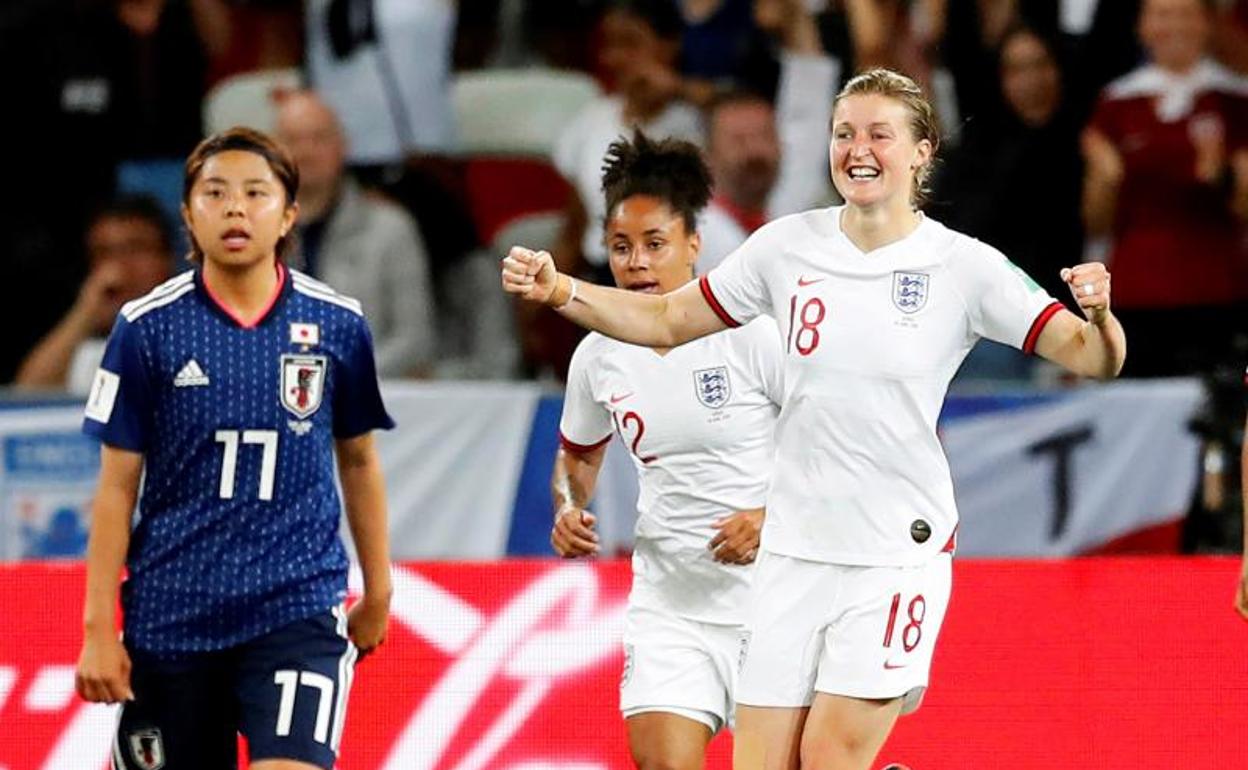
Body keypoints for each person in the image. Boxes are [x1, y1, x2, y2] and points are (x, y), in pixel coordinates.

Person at [504, 68, 1125, 770]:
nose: (858, 149)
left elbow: (1092, 357)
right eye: (843, 133)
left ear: (922, 151)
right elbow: (670, 319)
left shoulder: (961, 266)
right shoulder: (783, 248)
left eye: (879, 135)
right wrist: (561, 289)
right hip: (793, 556)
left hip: (894, 549)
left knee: (829, 759)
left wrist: (1100, 316)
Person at [75, 127, 395, 770]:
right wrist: (97, 630)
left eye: (256, 193)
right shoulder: (146, 328)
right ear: (189, 215)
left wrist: (379, 588)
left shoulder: (337, 325)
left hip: (295, 607)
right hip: (172, 615)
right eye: (215, 194)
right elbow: (115, 488)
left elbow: (358, 460)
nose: (236, 208)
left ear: (289, 215)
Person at [554, 130, 783, 769]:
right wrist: (569, 507)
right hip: (671, 608)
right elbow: (578, 456)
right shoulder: (597, 355)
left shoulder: (752, 334)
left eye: (655, 244)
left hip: (773, 606)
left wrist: (770, 520)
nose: (637, 263)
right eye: (622, 247)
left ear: (693, 245)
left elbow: (830, 450)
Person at [1082, 0, 1248, 377]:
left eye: (1186, 14)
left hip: (1217, 287)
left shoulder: (1234, 101)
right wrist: (1105, 178)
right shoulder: (1116, 104)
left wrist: (1224, 177)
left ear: (1207, 24)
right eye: (1162, 14)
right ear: (1142, 26)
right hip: (1137, 288)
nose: (1174, 26)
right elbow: (1096, 220)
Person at [275, 88, 438, 378]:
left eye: (319, 138)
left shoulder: (392, 229)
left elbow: (415, 340)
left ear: (344, 146)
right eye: (293, 140)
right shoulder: (247, 234)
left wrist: (335, 377)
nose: (305, 152)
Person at [697, 0, 838, 273]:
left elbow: (808, 97)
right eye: (738, 140)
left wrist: (795, 13)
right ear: (707, 157)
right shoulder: (685, 233)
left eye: (764, 136)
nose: (755, 151)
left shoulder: (793, 193)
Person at [15, 196, 174, 394]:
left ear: (167, 258)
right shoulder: (85, 344)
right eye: (105, 252)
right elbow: (25, 398)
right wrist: (85, 313)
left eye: (135, 248)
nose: (120, 265)